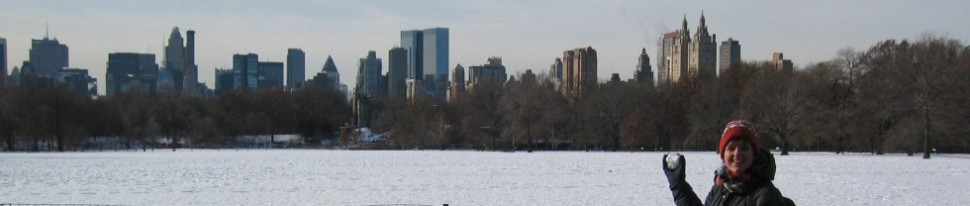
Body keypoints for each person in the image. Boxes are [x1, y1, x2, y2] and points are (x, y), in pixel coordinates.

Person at [662, 120, 794, 206]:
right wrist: (679, 187)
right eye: (731, 148)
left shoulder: (764, 195)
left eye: (744, 148)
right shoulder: (721, 187)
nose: (737, 153)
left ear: (754, 154)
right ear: (723, 155)